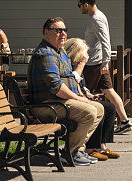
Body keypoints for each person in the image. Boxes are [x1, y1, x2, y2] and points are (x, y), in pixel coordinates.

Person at [28, 17, 105, 166]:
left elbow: (70, 79)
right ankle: (69, 153)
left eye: (64, 30)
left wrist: (83, 95)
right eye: (57, 30)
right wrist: (78, 99)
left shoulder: (60, 52)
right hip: (45, 106)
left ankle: (77, 150)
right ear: (46, 32)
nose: (63, 34)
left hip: (58, 102)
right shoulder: (46, 54)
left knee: (99, 109)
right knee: (89, 111)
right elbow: (56, 86)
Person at [77, 0, 132, 134]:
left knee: (84, 93)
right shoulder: (95, 17)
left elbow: (105, 41)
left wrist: (105, 63)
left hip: (94, 64)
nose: (79, 9)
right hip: (96, 63)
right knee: (109, 91)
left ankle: (86, 126)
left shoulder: (96, 19)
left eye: (79, 5)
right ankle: (125, 121)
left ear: (86, 4)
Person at [65, 38, 120, 161]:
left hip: (80, 97)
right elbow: (71, 82)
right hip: (70, 102)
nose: (83, 58)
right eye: (81, 55)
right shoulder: (67, 64)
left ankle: (101, 145)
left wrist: (88, 94)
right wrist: (81, 64)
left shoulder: (75, 65)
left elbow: (80, 85)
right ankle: (90, 148)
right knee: (98, 108)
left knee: (110, 108)